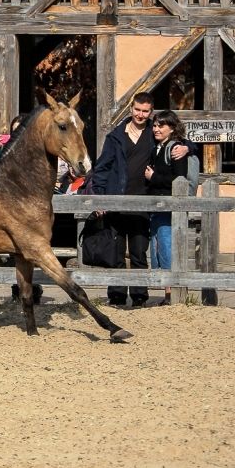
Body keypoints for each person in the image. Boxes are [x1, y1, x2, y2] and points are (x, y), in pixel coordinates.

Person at [83, 93, 189, 308]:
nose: (141, 114)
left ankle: (140, 296)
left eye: (145, 111)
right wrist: (100, 199)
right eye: (137, 109)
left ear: (150, 112)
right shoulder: (116, 136)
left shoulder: (154, 132)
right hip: (116, 200)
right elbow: (102, 169)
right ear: (131, 108)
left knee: (140, 252)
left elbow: (176, 137)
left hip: (143, 201)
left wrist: (189, 147)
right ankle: (117, 296)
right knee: (117, 253)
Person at [144, 110, 190, 305]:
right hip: (157, 205)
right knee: (157, 245)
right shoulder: (157, 147)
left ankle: (172, 293)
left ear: (171, 128)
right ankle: (167, 292)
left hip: (168, 205)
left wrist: (153, 178)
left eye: (161, 125)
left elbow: (178, 179)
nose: (156, 129)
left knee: (166, 244)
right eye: (154, 125)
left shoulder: (175, 149)